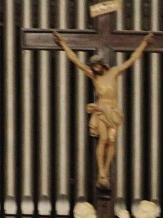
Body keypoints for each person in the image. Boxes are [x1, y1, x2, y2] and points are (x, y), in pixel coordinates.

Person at [54, 31, 153, 189]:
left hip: (113, 111)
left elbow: (132, 59)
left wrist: (144, 43)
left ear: (102, 63)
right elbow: (76, 61)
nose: (95, 68)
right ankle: (101, 171)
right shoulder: (94, 77)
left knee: (112, 140)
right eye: (93, 66)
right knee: (104, 138)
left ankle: (106, 171)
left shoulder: (114, 72)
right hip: (101, 109)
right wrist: (64, 44)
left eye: (97, 65)